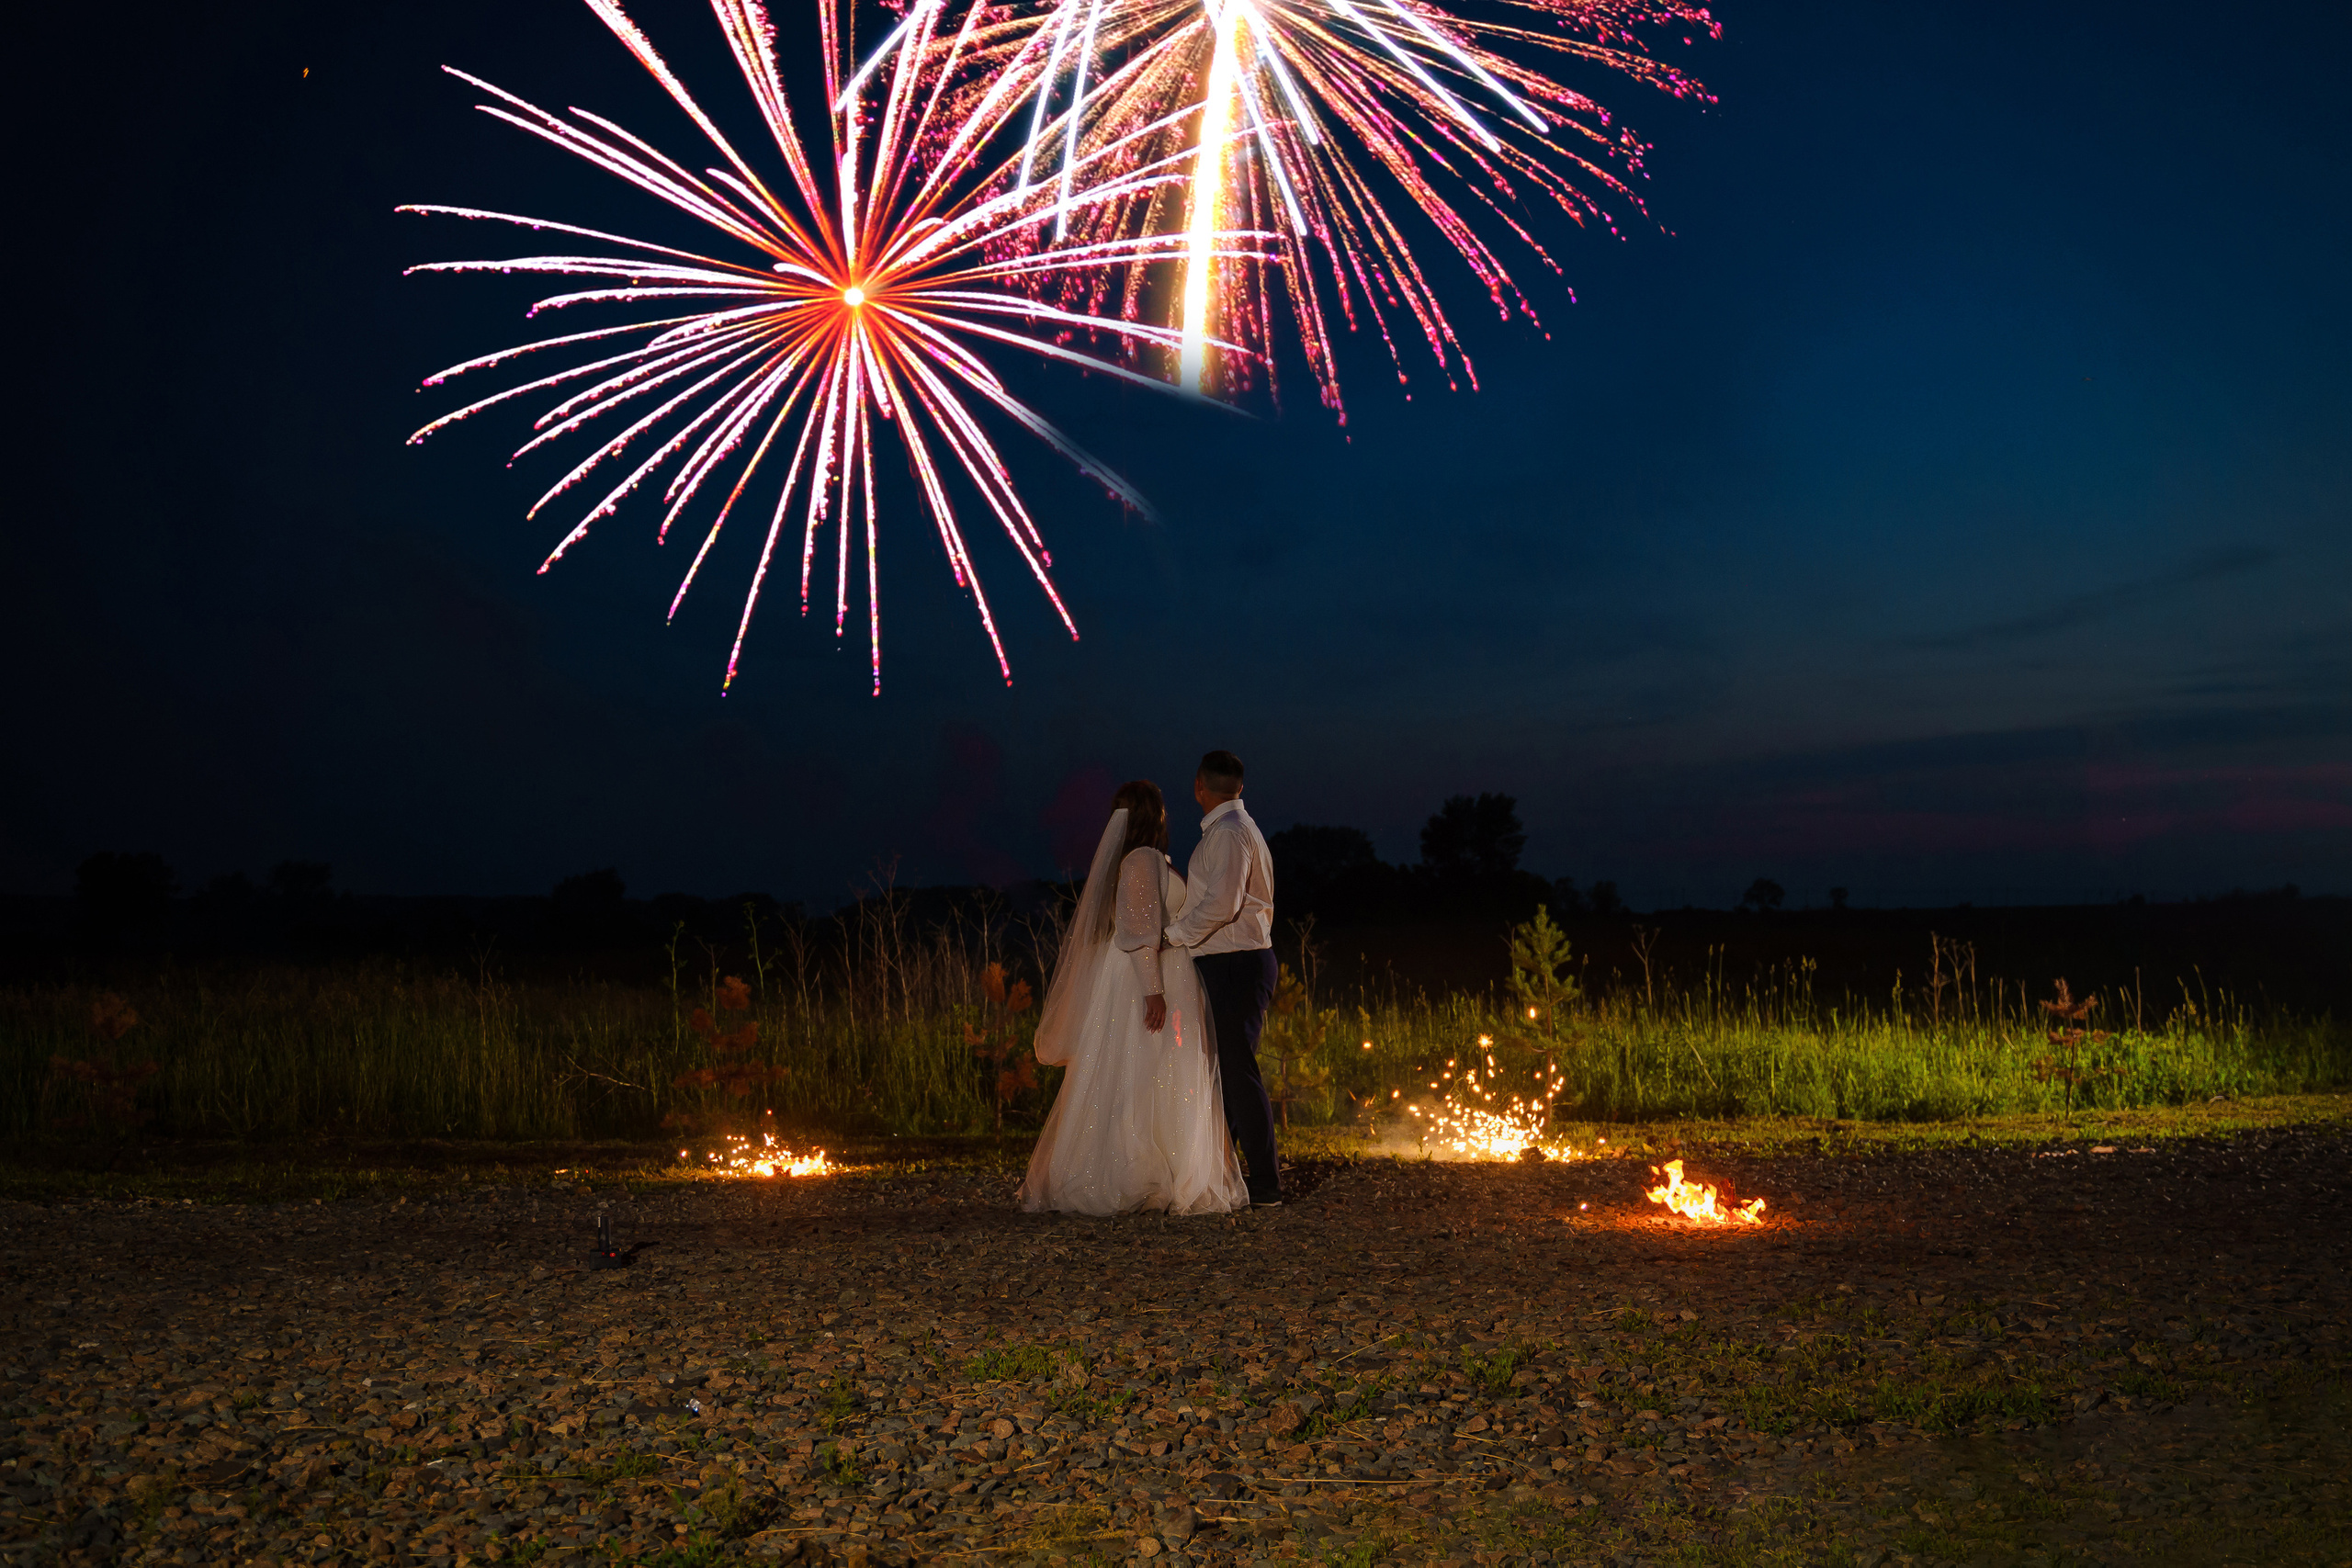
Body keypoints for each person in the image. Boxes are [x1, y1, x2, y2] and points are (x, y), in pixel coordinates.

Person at [1017, 780, 1249, 1215]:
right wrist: (1153, 991)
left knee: (1160, 1069)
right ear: (1153, 814)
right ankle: (1134, 1170)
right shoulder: (1141, 859)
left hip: (1163, 972)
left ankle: (1167, 1165)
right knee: (1142, 1067)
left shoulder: (1148, 860)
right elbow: (1141, 929)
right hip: (1149, 977)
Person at [1162, 750, 1283, 1206]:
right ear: (1240, 787)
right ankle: (1228, 1171)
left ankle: (1266, 1183)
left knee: (1236, 1071)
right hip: (1237, 960)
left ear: (1199, 786)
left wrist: (1173, 937)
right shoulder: (1237, 831)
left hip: (1236, 961)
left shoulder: (1230, 835)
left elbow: (1223, 904)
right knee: (1227, 1071)